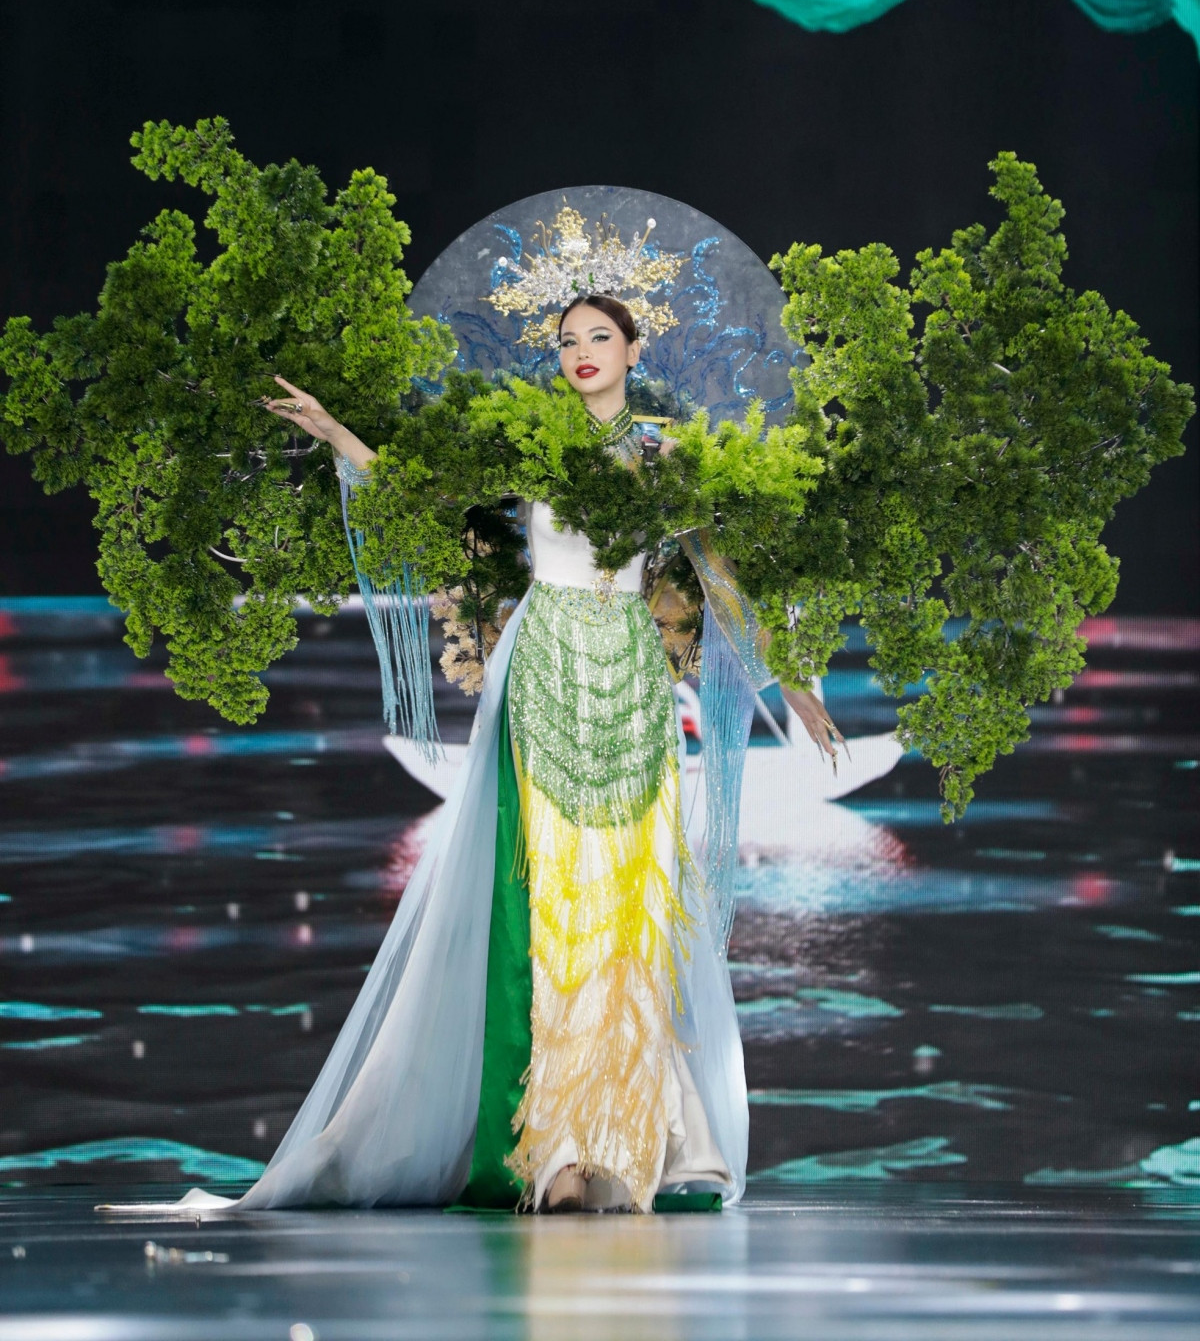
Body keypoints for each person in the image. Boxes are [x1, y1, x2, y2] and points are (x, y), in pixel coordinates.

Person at [240, 291, 840, 1215]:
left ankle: (626, 1145)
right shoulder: (531, 448)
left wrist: (793, 683)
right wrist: (333, 432)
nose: (583, 352)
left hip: (632, 677)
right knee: (553, 900)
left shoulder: (668, 457)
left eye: (600, 336)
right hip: (547, 665)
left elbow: (721, 585)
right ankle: (552, 1149)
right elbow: (415, 494)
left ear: (636, 348)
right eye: (567, 341)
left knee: (630, 903)